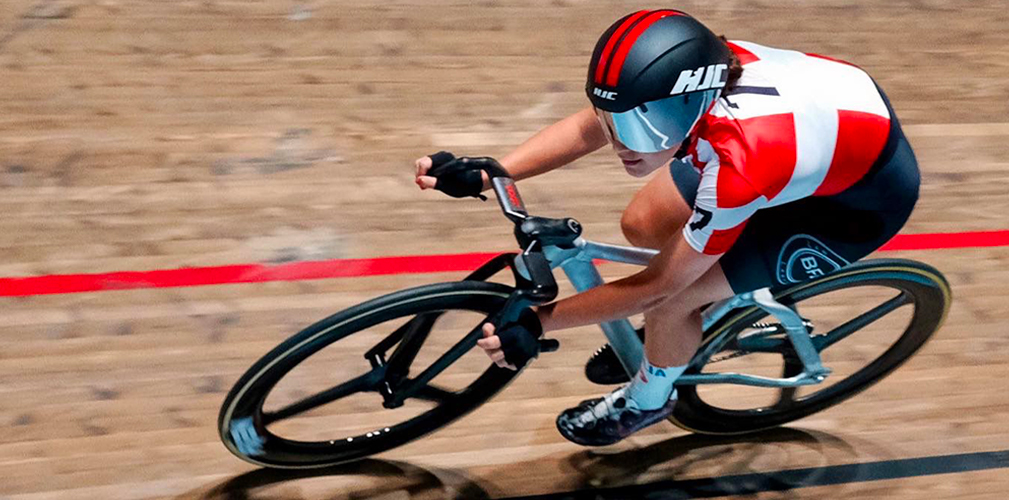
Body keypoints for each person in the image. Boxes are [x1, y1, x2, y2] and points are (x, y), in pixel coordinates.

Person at [414, 9, 919, 446]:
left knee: (674, 302)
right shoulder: (692, 72)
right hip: (808, 145)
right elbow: (590, 125)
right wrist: (490, 172)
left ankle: (649, 399)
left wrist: (538, 323)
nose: (621, 145)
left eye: (640, 129)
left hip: (853, 207)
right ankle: (721, 303)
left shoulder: (739, 168)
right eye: (619, 123)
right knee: (643, 222)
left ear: (691, 107)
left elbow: (658, 287)